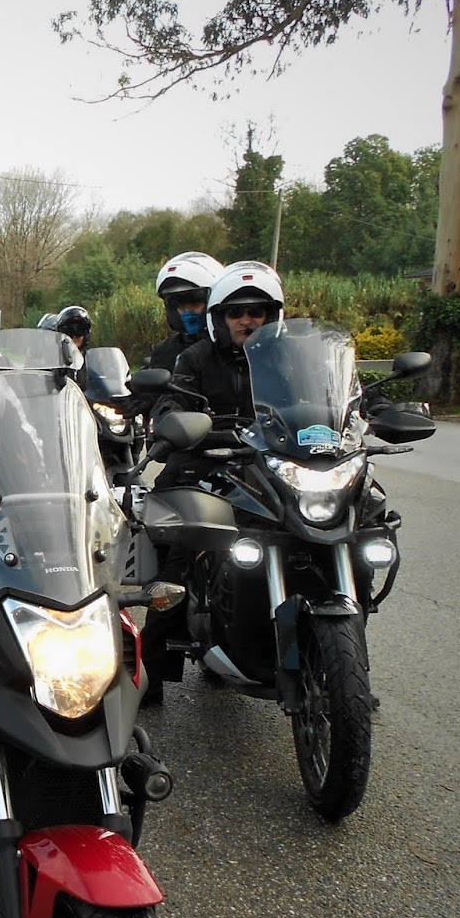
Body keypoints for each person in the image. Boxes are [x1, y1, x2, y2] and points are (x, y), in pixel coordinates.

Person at [140, 260, 286, 706]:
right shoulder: (195, 357)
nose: (247, 320)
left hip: (270, 466)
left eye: (256, 312)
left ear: (272, 316)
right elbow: (170, 402)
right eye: (236, 313)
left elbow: (325, 399)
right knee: (178, 555)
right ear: (221, 318)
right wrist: (176, 422)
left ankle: (342, 661)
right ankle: (151, 672)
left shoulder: (286, 357)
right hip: (205, 463)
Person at [148, 252, 225, 374]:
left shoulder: (231, 349)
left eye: (194, 302)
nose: (187, 311)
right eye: (177, 303)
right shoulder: (165, 351)